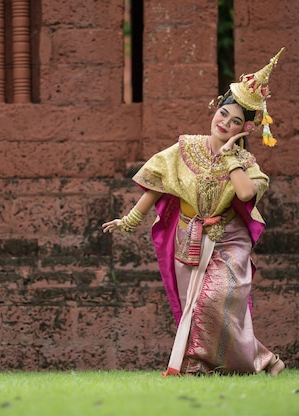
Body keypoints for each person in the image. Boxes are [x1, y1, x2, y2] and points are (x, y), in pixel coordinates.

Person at [102, 48, 286, 377]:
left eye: (234, 122)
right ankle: (238, 363)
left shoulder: (246, 165)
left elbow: (246, 193)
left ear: (244, 129)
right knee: (196, 306)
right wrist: (130, 220)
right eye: (222, 114)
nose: (224, 123)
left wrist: (231, 158)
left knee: (217, 300)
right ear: (215, 110)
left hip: (230, 241)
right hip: (188, 237)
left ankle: (233, 362)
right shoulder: (186, 147)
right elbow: (160, 183)